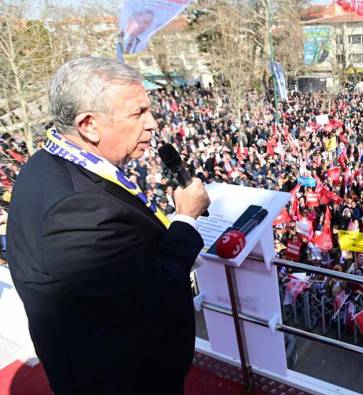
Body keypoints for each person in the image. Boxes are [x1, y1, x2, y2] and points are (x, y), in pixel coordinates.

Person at [7, 58, 210, 394]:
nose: (153, 123)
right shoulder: (73, 208)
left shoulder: (46, 163)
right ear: (89, 125)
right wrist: (186, 218)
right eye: (138, 113)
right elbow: (152, 295)